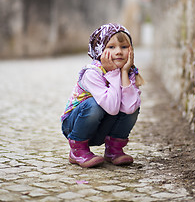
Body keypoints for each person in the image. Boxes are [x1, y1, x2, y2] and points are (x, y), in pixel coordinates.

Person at [60, 23, 144, 168]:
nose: (118, 52)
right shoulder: (92, 73)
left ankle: (114, 150)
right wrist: (112, 73)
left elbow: (129, 108)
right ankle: (77, 150)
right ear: (100, 49)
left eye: (124, 47)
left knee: (134, 105)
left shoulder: (128, 73)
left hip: (100, 128)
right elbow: (111, 108)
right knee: (94, 105)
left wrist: (123, 73)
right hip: (75, 126)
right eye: (111, 47)